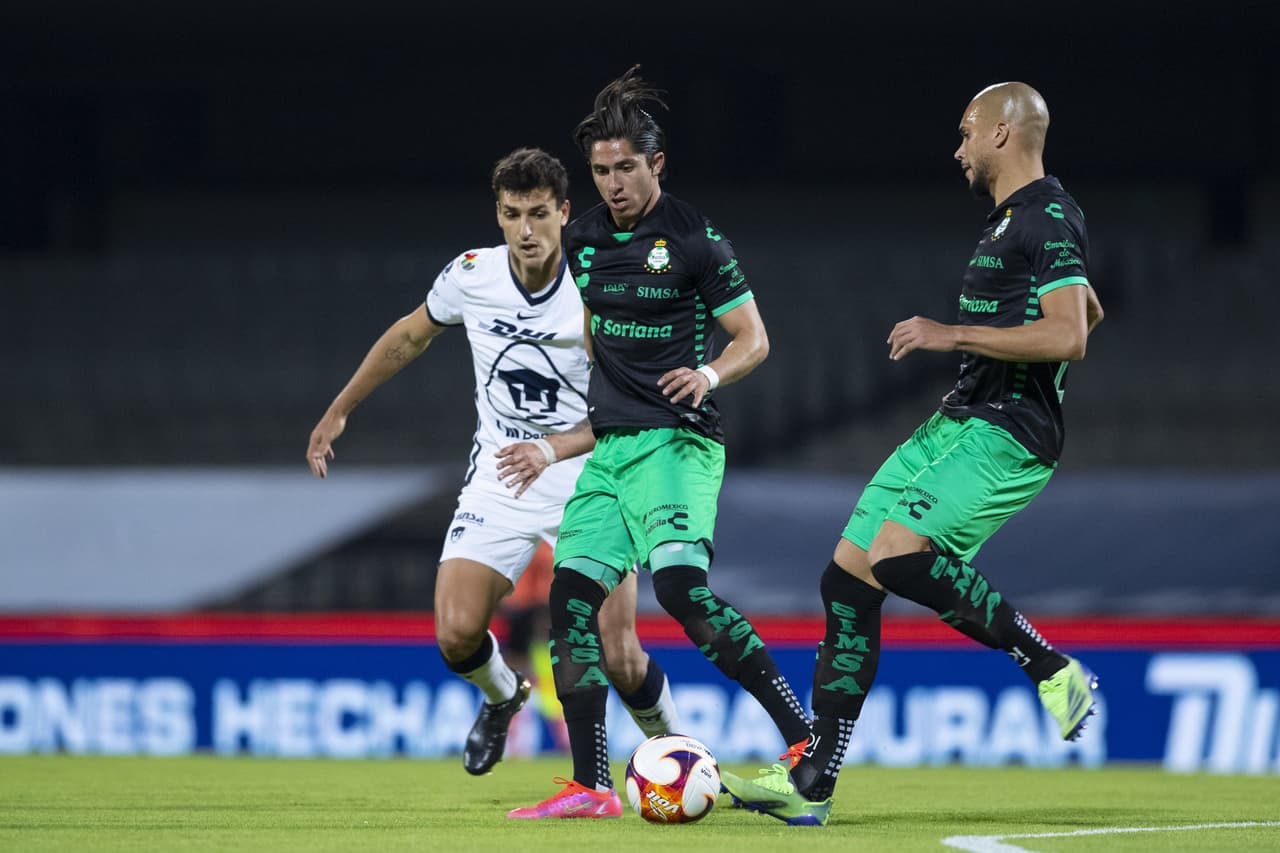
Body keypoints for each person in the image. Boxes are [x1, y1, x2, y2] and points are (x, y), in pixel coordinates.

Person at [721, 81, 1106, 827]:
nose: (957, 147)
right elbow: (1085, 305)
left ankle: (1051, 667)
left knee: (899, 553)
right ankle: (813, 783)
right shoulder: (1019, 224)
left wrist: (950, 333)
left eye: (966, 131)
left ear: (1002, 133)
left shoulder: (1047, 215)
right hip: (956, 421)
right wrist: (1076, 295)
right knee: (848, 577)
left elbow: (1071, 336)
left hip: (1009, 430)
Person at [306, 147, 679, 777]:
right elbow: (408, 336)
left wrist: (552, 449)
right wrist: (341, 407)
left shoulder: (598, 290)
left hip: (590, 474)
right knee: (455, 633)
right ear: (499, 215)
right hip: (502, 472)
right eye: (513, 214)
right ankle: (504, 695)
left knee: (618, 654)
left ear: (564, 212)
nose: (527, 230)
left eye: (539, 213)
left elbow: (630, 407)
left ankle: (679, 750)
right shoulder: (471, 274)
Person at [505, 66, 813, 821]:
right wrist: (568, 437)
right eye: (602, 170)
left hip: (678, 443)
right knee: (570, 601)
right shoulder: (581, 242)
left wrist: (708, 373)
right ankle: (590, 784)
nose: (612, 183)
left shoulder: (695, 240)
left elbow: (755, 339)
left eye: (626, 168)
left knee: (680, 590)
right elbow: (594, 337)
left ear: (657, 164)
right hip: (611, 452)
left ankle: (806, 742)